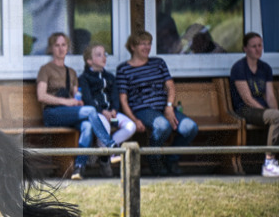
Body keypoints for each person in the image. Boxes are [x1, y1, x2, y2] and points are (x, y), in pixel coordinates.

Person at [36, 32, 120, 180]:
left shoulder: (71, 72)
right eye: (57, 45)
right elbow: (41, 96)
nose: (61, 49)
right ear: (51, 49)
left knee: (87, 125)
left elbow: (77, 96)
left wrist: (77, 101)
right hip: (52, 114)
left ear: (68, 48)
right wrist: (66, 102)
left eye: (64, 45)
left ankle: (79, 168)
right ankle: (110, 145)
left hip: (69, 113)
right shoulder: (46, 69)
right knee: (90, 110)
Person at [116, 30, 198, 176]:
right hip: (143, 110)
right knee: (162, 126)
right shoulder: (124, 69)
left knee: (190, 128)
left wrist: (169, 107)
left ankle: (171, 159)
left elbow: (170, 86)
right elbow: (123, 99)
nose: (147, 47)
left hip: (164, 107)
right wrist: (134, 120)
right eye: (143, 44)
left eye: (149, 44)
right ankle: (154, 158)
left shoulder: (158, 63)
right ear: (133, 47)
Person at [79, 43, 136, 176]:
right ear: (89, 61)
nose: (104, 57)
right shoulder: (84, 79)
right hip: (97, 114)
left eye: (105, 54)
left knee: (130, 126)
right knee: (104, 126)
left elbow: (115, 96)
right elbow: (88, 99)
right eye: (99, 55)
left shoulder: (110, 77)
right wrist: (102, 111)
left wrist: (114, 110)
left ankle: (101, 153)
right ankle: (105, 162)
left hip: (111, 112)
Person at [229, 32, 279, 177]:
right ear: (245, 48)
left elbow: (270, 96)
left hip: (262, 109)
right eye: (254, 46)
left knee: (276, 116)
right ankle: (269, 163)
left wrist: (274, 111)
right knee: (275, 117)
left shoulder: (266, 68)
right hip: (245, 109)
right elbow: (247, 98)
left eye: (260, 45)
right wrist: (269, 113)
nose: (258, 49)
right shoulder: (239, 68)